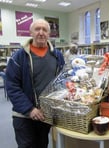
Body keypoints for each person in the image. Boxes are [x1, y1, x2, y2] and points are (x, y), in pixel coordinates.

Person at [5, 19, 65, 148]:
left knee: (43, 144)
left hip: (46, 115)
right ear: (30, 32)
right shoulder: (18, 57)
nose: (41, 33)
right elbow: (12, 86)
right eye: (37, 29)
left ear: (49, 34)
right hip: (24, 115)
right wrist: (29, 109)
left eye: (45, 30)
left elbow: (61, 82)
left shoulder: (57, 56)